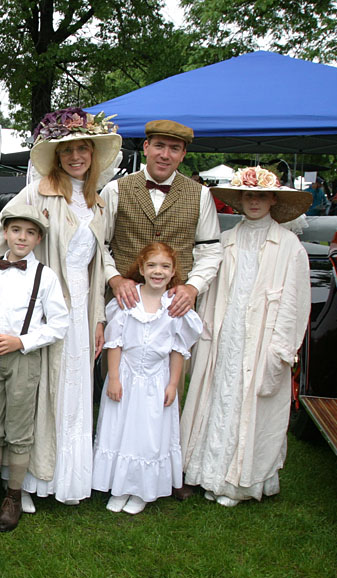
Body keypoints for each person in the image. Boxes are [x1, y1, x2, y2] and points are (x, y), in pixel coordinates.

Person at [0, 108, 122, 511]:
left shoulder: (99, 204)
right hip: (42, 307)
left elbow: (99, 262)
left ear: (93, 153)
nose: (76, 156)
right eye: (67, 150)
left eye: (83, 149)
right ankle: (24, 484)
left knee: (73, 392)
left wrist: (99, 317)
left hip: (80, 312)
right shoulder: (36, 194)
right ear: (57, 155)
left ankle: (68, 477)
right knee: (38, 392)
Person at [99, 118, 223, 500]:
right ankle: (112, 466)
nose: (165, 155)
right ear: (147, 147)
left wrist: (193, 285)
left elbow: (211, 248)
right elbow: (99, 244)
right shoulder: (116, 189)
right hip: (127, 304)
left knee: (168, 386)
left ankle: (165, 470)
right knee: (115, 383)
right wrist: (114, 279)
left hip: (172, 306)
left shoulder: (199, 195)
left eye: (174, 149)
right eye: (159, 146)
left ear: (183, 154)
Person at [180, 165, 312, 507]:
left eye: (261, 195)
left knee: (250, 402)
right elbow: (210, 295)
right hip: (226, 333)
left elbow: (296, 303)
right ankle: (206, 472)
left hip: (262, 338)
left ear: (273, 200)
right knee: (218, 396)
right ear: (239, 201)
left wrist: (282, 348)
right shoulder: (226, 241)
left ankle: (240, 482)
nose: (254, 202)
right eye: (248, 195)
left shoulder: (289, 246)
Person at [0, 205, 69, 531]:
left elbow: (59, 324)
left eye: (29, 232)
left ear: (38, 238)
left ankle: (14, 496)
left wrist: (21, 342)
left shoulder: (45, 276)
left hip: (23, 360)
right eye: (16, 231)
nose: (22, 237)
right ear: (5, 234)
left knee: (19, 431)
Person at [93, 242, 202, 515]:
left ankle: (142, 488)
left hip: (157, 380)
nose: (158, 271)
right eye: (152, 265)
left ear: (174, 271)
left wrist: (173, 385)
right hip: (126, 377)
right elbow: (115, 343)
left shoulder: (175, 306)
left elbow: (179, 350)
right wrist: (114, 378)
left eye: (165, 266)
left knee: (148, 436)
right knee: (121, 431)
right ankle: (120, 487)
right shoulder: (128, 301)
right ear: (141, 268)